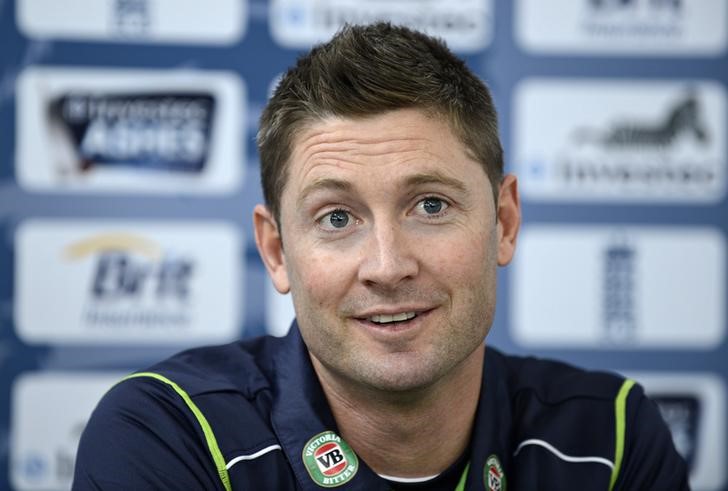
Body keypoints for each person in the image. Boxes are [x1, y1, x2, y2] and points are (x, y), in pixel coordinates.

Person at [73, 22, 689, 490]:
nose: (389, 266)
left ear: (503, 222)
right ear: (276, 250)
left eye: (430, 206)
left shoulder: (610, 439)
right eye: (337, 218)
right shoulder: (169, 434)